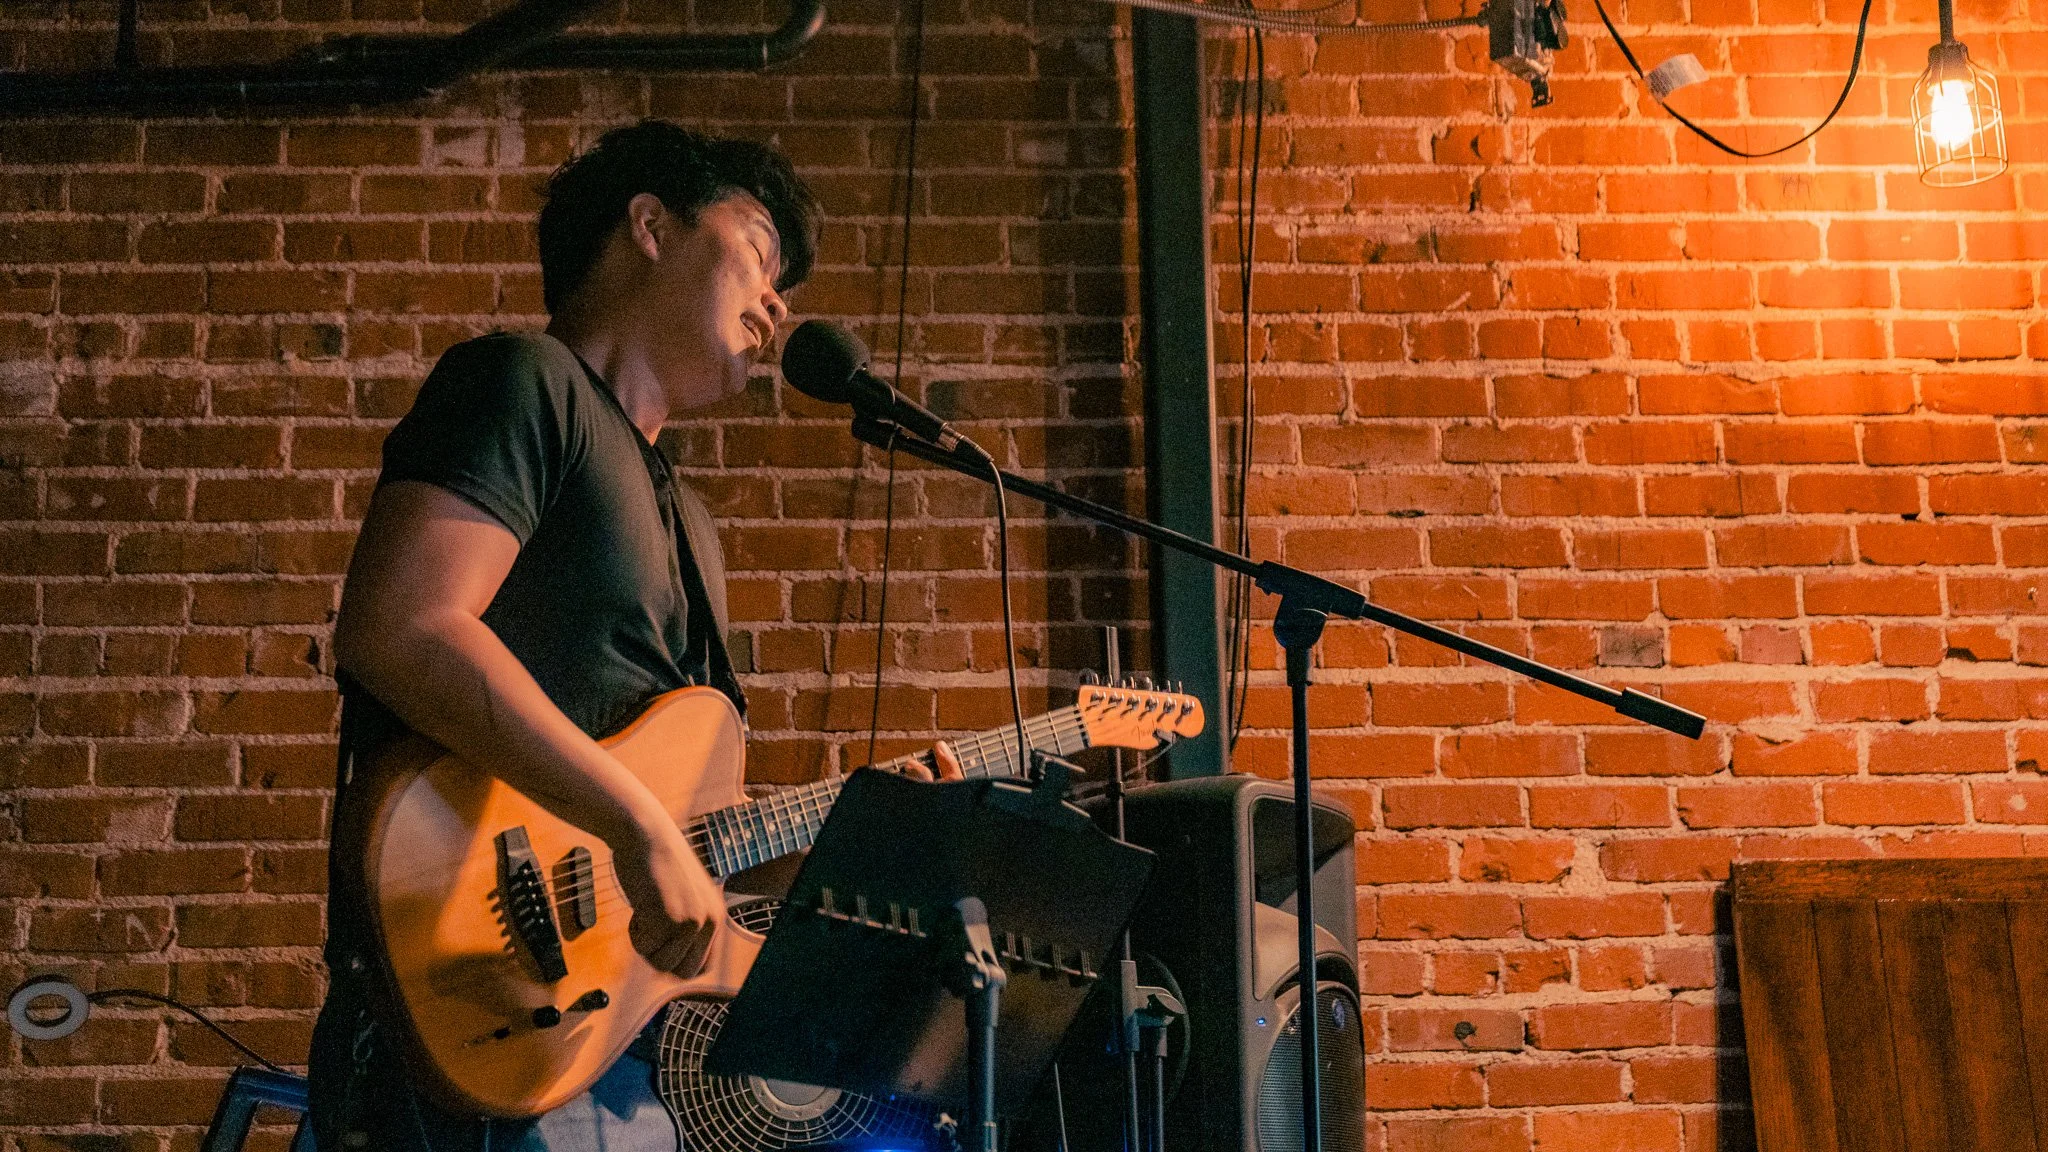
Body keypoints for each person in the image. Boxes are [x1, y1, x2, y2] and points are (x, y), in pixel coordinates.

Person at [306, 120, 954, 1152]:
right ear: (650, 225)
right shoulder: (525, 382)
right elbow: (403, 625)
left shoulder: (687, 518)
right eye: (755, 249)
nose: (779, 304)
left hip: (620, 1052)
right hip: (472, 1009)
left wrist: (852, 835)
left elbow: (698, 846)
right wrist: (638, 831)